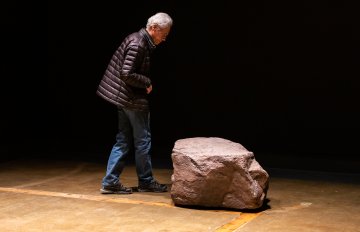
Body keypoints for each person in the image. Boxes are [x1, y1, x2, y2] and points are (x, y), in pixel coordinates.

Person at [96, 12, 173, 194]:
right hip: (131, 99)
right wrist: (146, 82)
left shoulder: (138, 40)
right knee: (143, 140)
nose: (164, 39)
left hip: (123, 98)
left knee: (123, 140)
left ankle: (110, 182)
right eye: (164, 34)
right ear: (154, 28)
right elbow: (126, 73)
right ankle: (145, 181)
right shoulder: (138, 44)